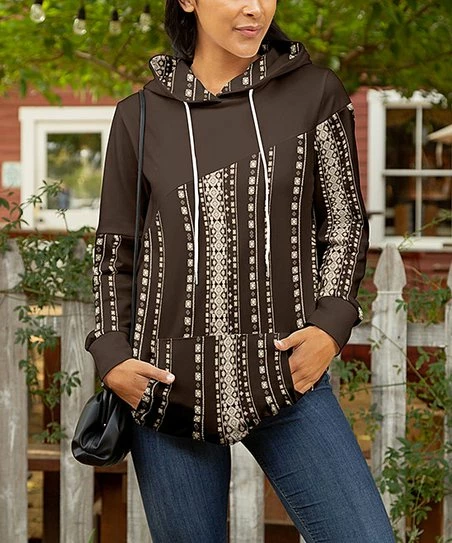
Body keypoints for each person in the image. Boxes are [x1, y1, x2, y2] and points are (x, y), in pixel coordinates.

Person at [84, 0, 396, 541]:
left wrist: (330, 326)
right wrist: (112, 357)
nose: (255, 8)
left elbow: (344, 222)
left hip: (287, 376)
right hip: (166, 387)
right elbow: (117, 249)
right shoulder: (141, 114)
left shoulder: (315, 93)